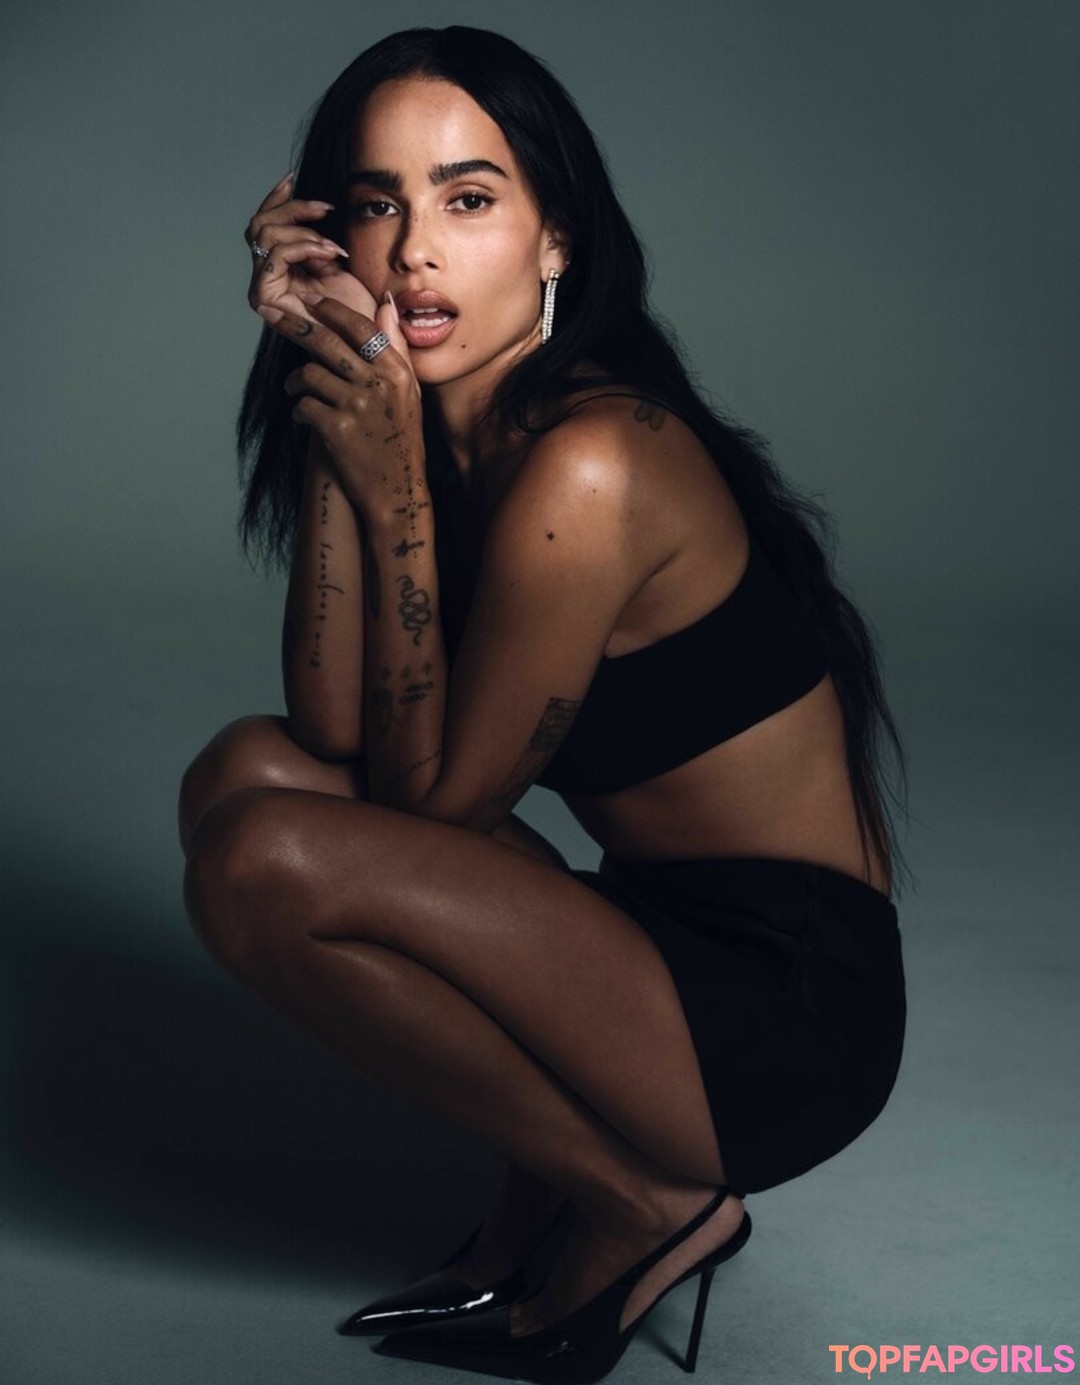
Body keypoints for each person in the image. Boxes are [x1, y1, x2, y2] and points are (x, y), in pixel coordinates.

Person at [179, 24, 909, 1384]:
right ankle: (568, 1189)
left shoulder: (593, 461)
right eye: (377, 206)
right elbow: (333, 734)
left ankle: (641, 1205)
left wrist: (395, 484)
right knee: (246, 774)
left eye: (468, 199)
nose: (413, 254)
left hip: (780, 1010)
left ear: (555, 238)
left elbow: (431, 819)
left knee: (260, 857)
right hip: (643, 934)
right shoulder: (442, 421)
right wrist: (338, 391)